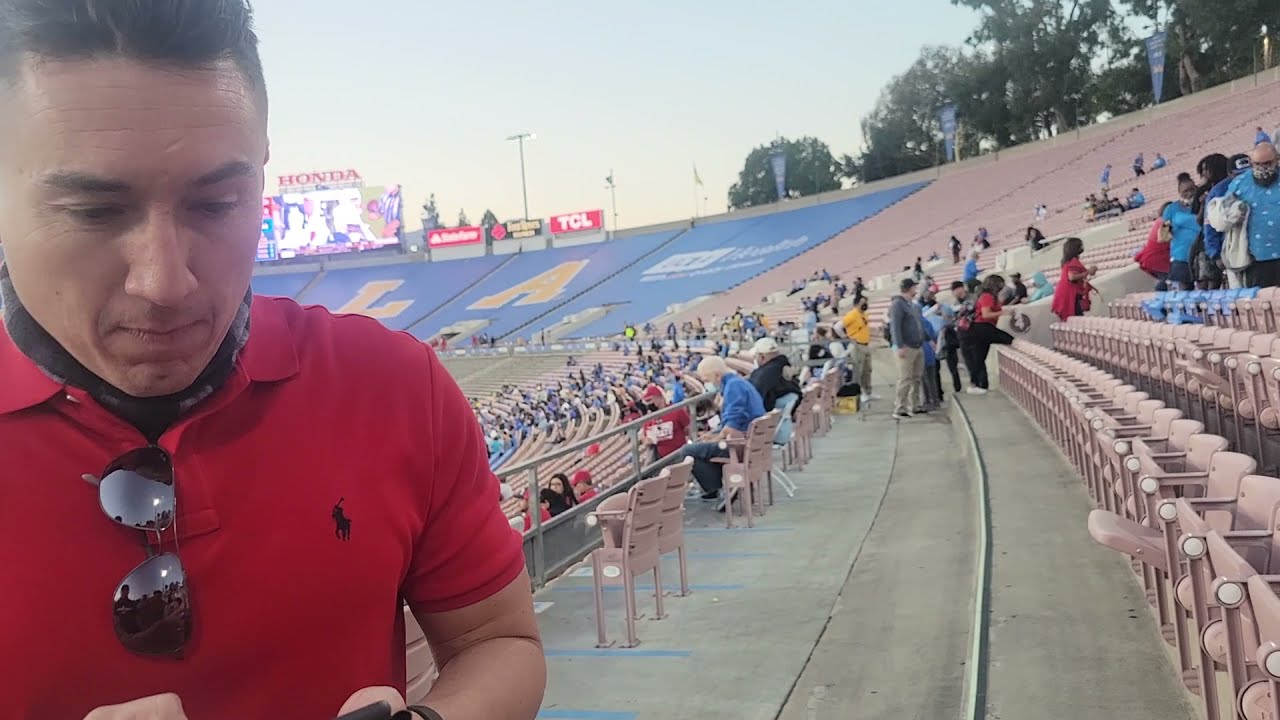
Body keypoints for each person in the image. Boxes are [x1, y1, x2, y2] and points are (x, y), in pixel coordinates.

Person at [0, 2, 544, 718]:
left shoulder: (393, 386)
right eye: (94, 212)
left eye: (218, 203)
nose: (164, 282)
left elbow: (496, 639)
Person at [673, 356, 765, 499]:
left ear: (716, 375)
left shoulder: (733, 387)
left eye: (706, 380)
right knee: (702, 444)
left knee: (688, 450)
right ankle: (718, 487)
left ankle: (716, 489)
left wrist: (716, 437)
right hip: (749, 440)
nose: (706, 384)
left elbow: (732, 424)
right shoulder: (738, 382)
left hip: (739, 444)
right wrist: (714, 435)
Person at [1228, 142, 1280, 287]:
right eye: (1257, 164)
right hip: (1256, 258)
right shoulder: (1239, 184)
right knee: (1262, 304)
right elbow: (1224, 215)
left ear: (1277, 160)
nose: (1262, 168)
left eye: (1267, 163)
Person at [966, 275, 1016, 394]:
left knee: (980, 357)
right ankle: (979, 384)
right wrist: (1003, 312)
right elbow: (986, 314)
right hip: (982, 327)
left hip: (982, 328)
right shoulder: (987, 296)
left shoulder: (988, 296)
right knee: (1008, 340)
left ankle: (980, 384)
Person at [887, 278, 926, 420]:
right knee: (905, 378)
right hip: (906, 347)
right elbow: (895, 326)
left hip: (917, 345)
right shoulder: (898, 304)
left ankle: (914, 405)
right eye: (914, 287)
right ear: (910, 288)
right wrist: (899, 345)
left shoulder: (911, 305)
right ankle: (900, 407)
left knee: (916, 377)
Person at [748, 337, 803, 415]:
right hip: (787, 413)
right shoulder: (783, 365)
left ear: (762, 357)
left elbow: (753, 400)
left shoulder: (764, 374)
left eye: (755, 356)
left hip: (771, 418)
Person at [639, 383, 691, 460]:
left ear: (660, 397)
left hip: (680, 454)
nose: (648, 404)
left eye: (649, 400)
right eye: (646, 402)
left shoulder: (676, 410)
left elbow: (688, 428)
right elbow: (645, 439)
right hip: (661, 459)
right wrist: (648, 441)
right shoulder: (648, 419)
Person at [1052, 237, 1098, 321]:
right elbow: (1072, 277)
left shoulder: (1068, 261)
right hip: (1069, 293)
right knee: (1077, 319)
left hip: (1065, 292)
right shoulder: (1073, 261)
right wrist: (1088, 271)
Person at [840, 297, 874, 402]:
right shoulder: (852, 314)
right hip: (857, 345)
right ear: (857, 303)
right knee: (859, 370)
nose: (865, 304)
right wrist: (846, 338)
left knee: (867, 370)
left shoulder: (864, 314)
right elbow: (838, 326)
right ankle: (859, 392)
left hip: (866, 344)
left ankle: (868, 391)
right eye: (863, 302)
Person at [1134, 205, 1173, 291]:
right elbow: (1163, 240)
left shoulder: (1159, 221)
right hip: (1158, 259)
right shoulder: (1165, 223)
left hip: (1150, 258)